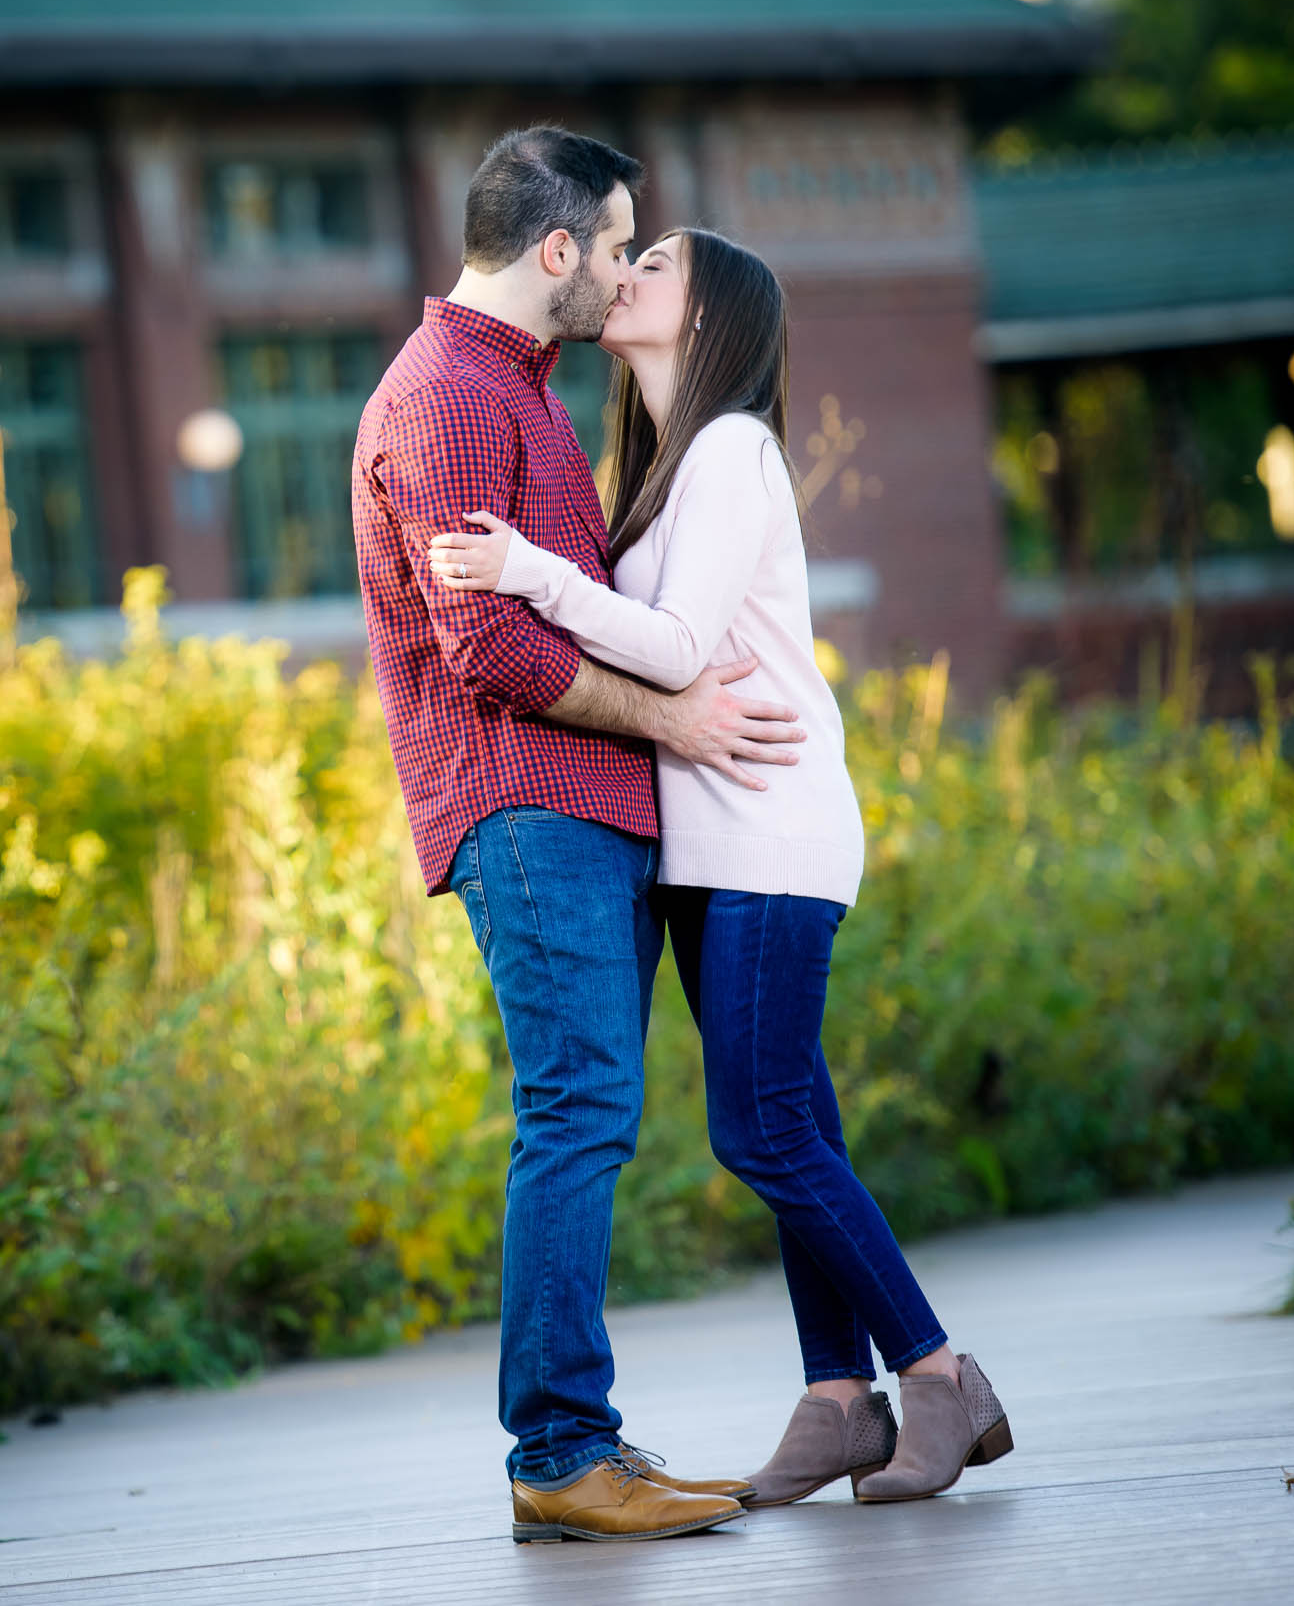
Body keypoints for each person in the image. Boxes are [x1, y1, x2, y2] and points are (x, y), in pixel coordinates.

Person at [425, 225, 1016, 1509]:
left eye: (656, 265)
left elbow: (683, 645)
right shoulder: (660, 465)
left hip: (768, 830)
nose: (625, 272)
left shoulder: (733, 450)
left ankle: (937, 1371)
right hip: (705, 841)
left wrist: (523, 570)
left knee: (758, 1129)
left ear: (708, 321)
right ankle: (835, 1398)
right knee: (794, 1113)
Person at [352, 126, 810, 1544]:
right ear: (556, 249)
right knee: (575, 1113)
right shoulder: (446, 399)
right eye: (613, 246)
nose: (619, 273)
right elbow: (483, 641)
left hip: (586, 807)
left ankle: (582, 1439)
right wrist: (672, 721)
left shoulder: (523, 393)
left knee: (591, 1116)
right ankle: (557, 1451)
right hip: (526, 805)